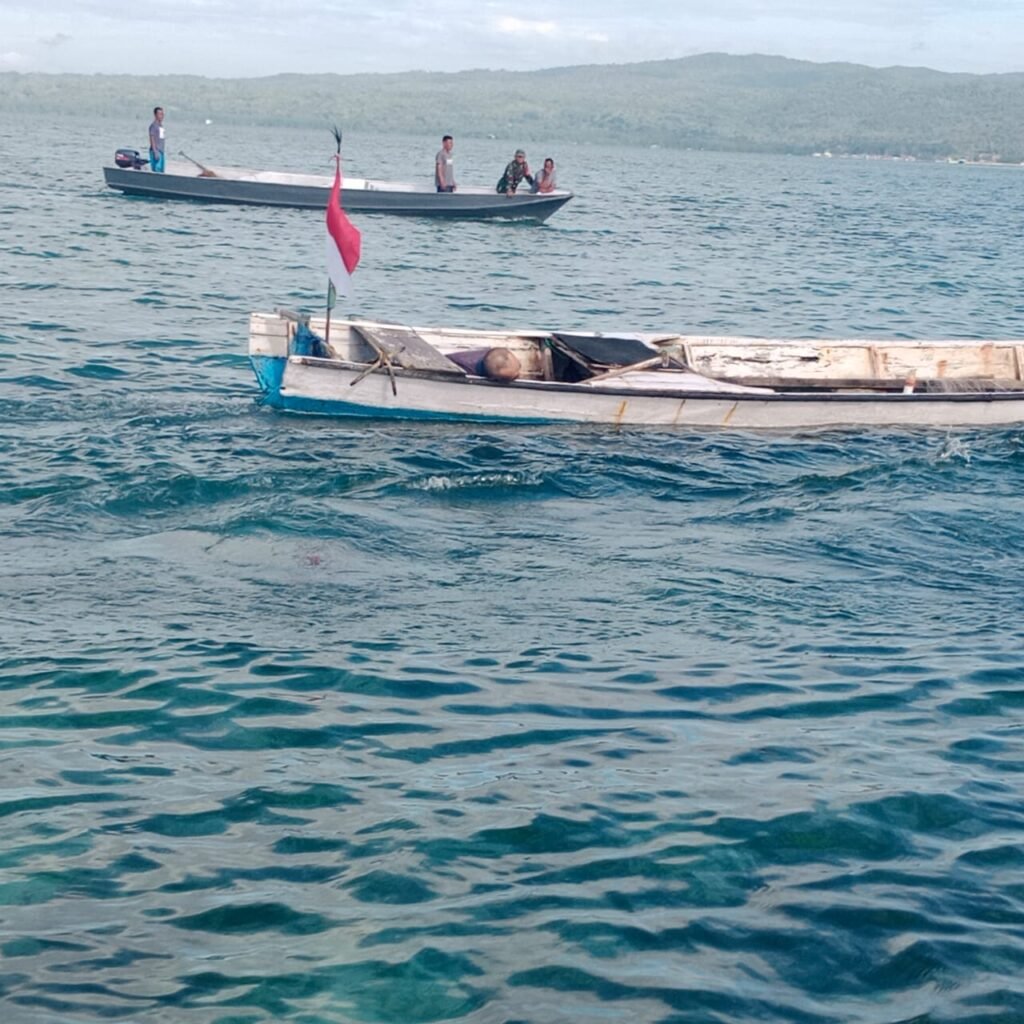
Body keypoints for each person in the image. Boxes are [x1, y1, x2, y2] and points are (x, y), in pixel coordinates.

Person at [446, 347, 521, 380]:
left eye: (519, 365)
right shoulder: (464, 369)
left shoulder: (493, 354)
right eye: (513, 378)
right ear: (493, 379)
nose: (519, 374)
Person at [148, 106, 165, 173]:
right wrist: (155, 151)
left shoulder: (161, 126)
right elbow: (151, 138)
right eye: (160, 114)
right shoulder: (153, 126)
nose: (162, 116)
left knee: (161, 170)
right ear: (155, 115)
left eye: (162, 114)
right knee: (157, 170)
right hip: (156, 151)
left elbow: (161, 139)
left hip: (161, 151)